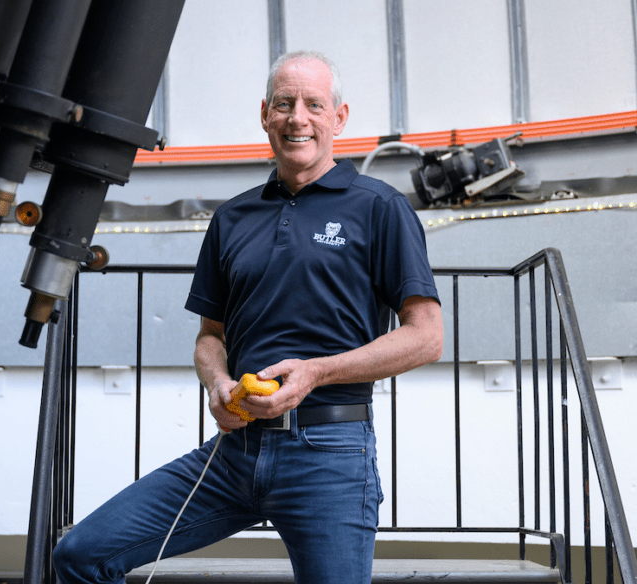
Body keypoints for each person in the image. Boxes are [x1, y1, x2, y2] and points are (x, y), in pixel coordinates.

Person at [52, 50, 443, 584]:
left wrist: (316, 372)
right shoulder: (233, 217)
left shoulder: (379, 207)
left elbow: (426, 338)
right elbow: (209, 338)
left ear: (339, 118)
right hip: (234, 452)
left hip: (330, 455)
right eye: (284, 104)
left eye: (313, 105)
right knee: (80, 554)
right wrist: (217, 383)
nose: (297, 118)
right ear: (265, 114)